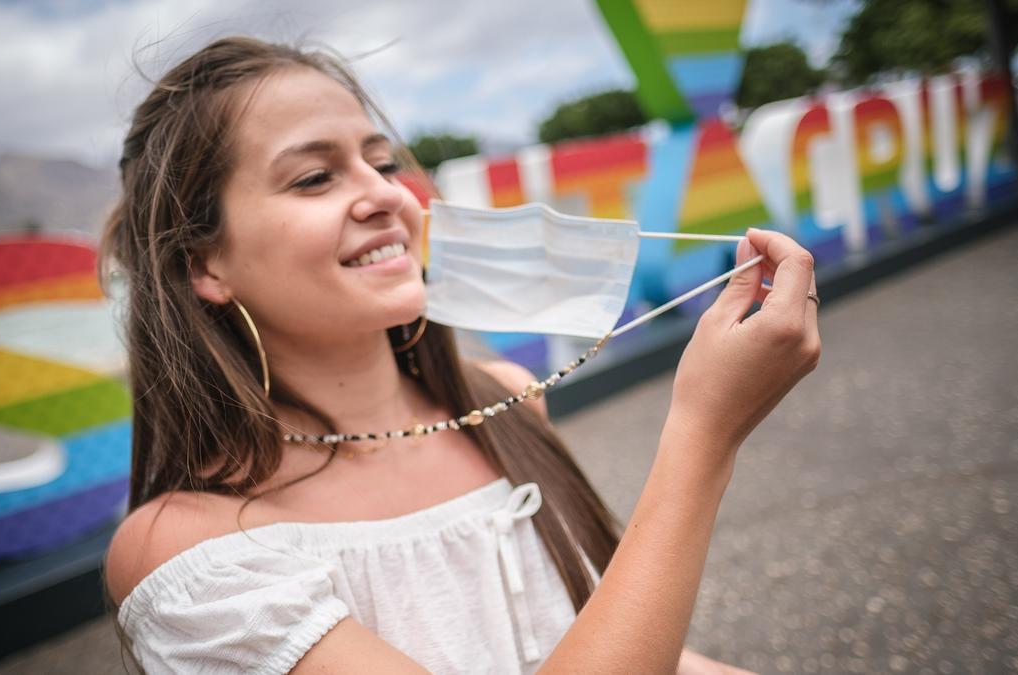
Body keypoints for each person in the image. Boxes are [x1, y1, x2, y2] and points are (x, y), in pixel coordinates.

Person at [103, 37, 821, 674]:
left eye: (382, 163)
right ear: (206, 263)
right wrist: (702, 436)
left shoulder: (506, 398)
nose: (385, 195)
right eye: (315, 177)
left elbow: (606, 638)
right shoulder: (186, 548)